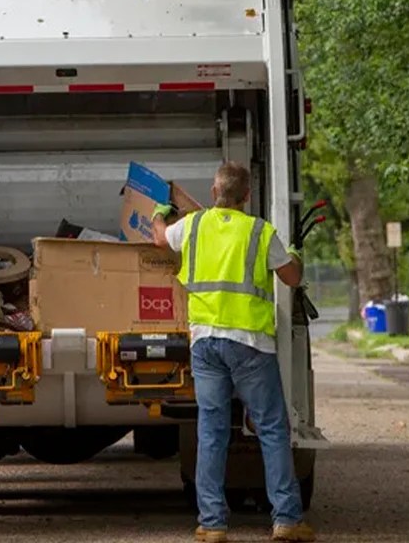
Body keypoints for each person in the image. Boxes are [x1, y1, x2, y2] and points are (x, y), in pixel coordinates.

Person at [152, 162, 316, 543]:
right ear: (247, 196)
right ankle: (286, 520)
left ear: (214, 193)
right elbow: (291, 277)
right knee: (272, 430)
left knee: (211, 431)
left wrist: (160, 212)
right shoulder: (259, 231)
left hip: (206, 342)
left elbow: (159, 238)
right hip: (250, 345)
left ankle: (212, 524)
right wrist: (292, 253)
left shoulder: (192, 225)